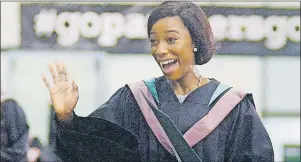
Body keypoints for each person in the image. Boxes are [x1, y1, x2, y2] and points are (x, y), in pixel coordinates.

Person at [42, 1, 274, 162]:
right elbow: (93, 153)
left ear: (195, 41)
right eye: (154, 41)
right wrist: (66, 117)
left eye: (171, 39)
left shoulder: (233, 108)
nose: (160, 50)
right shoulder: (133, 100)